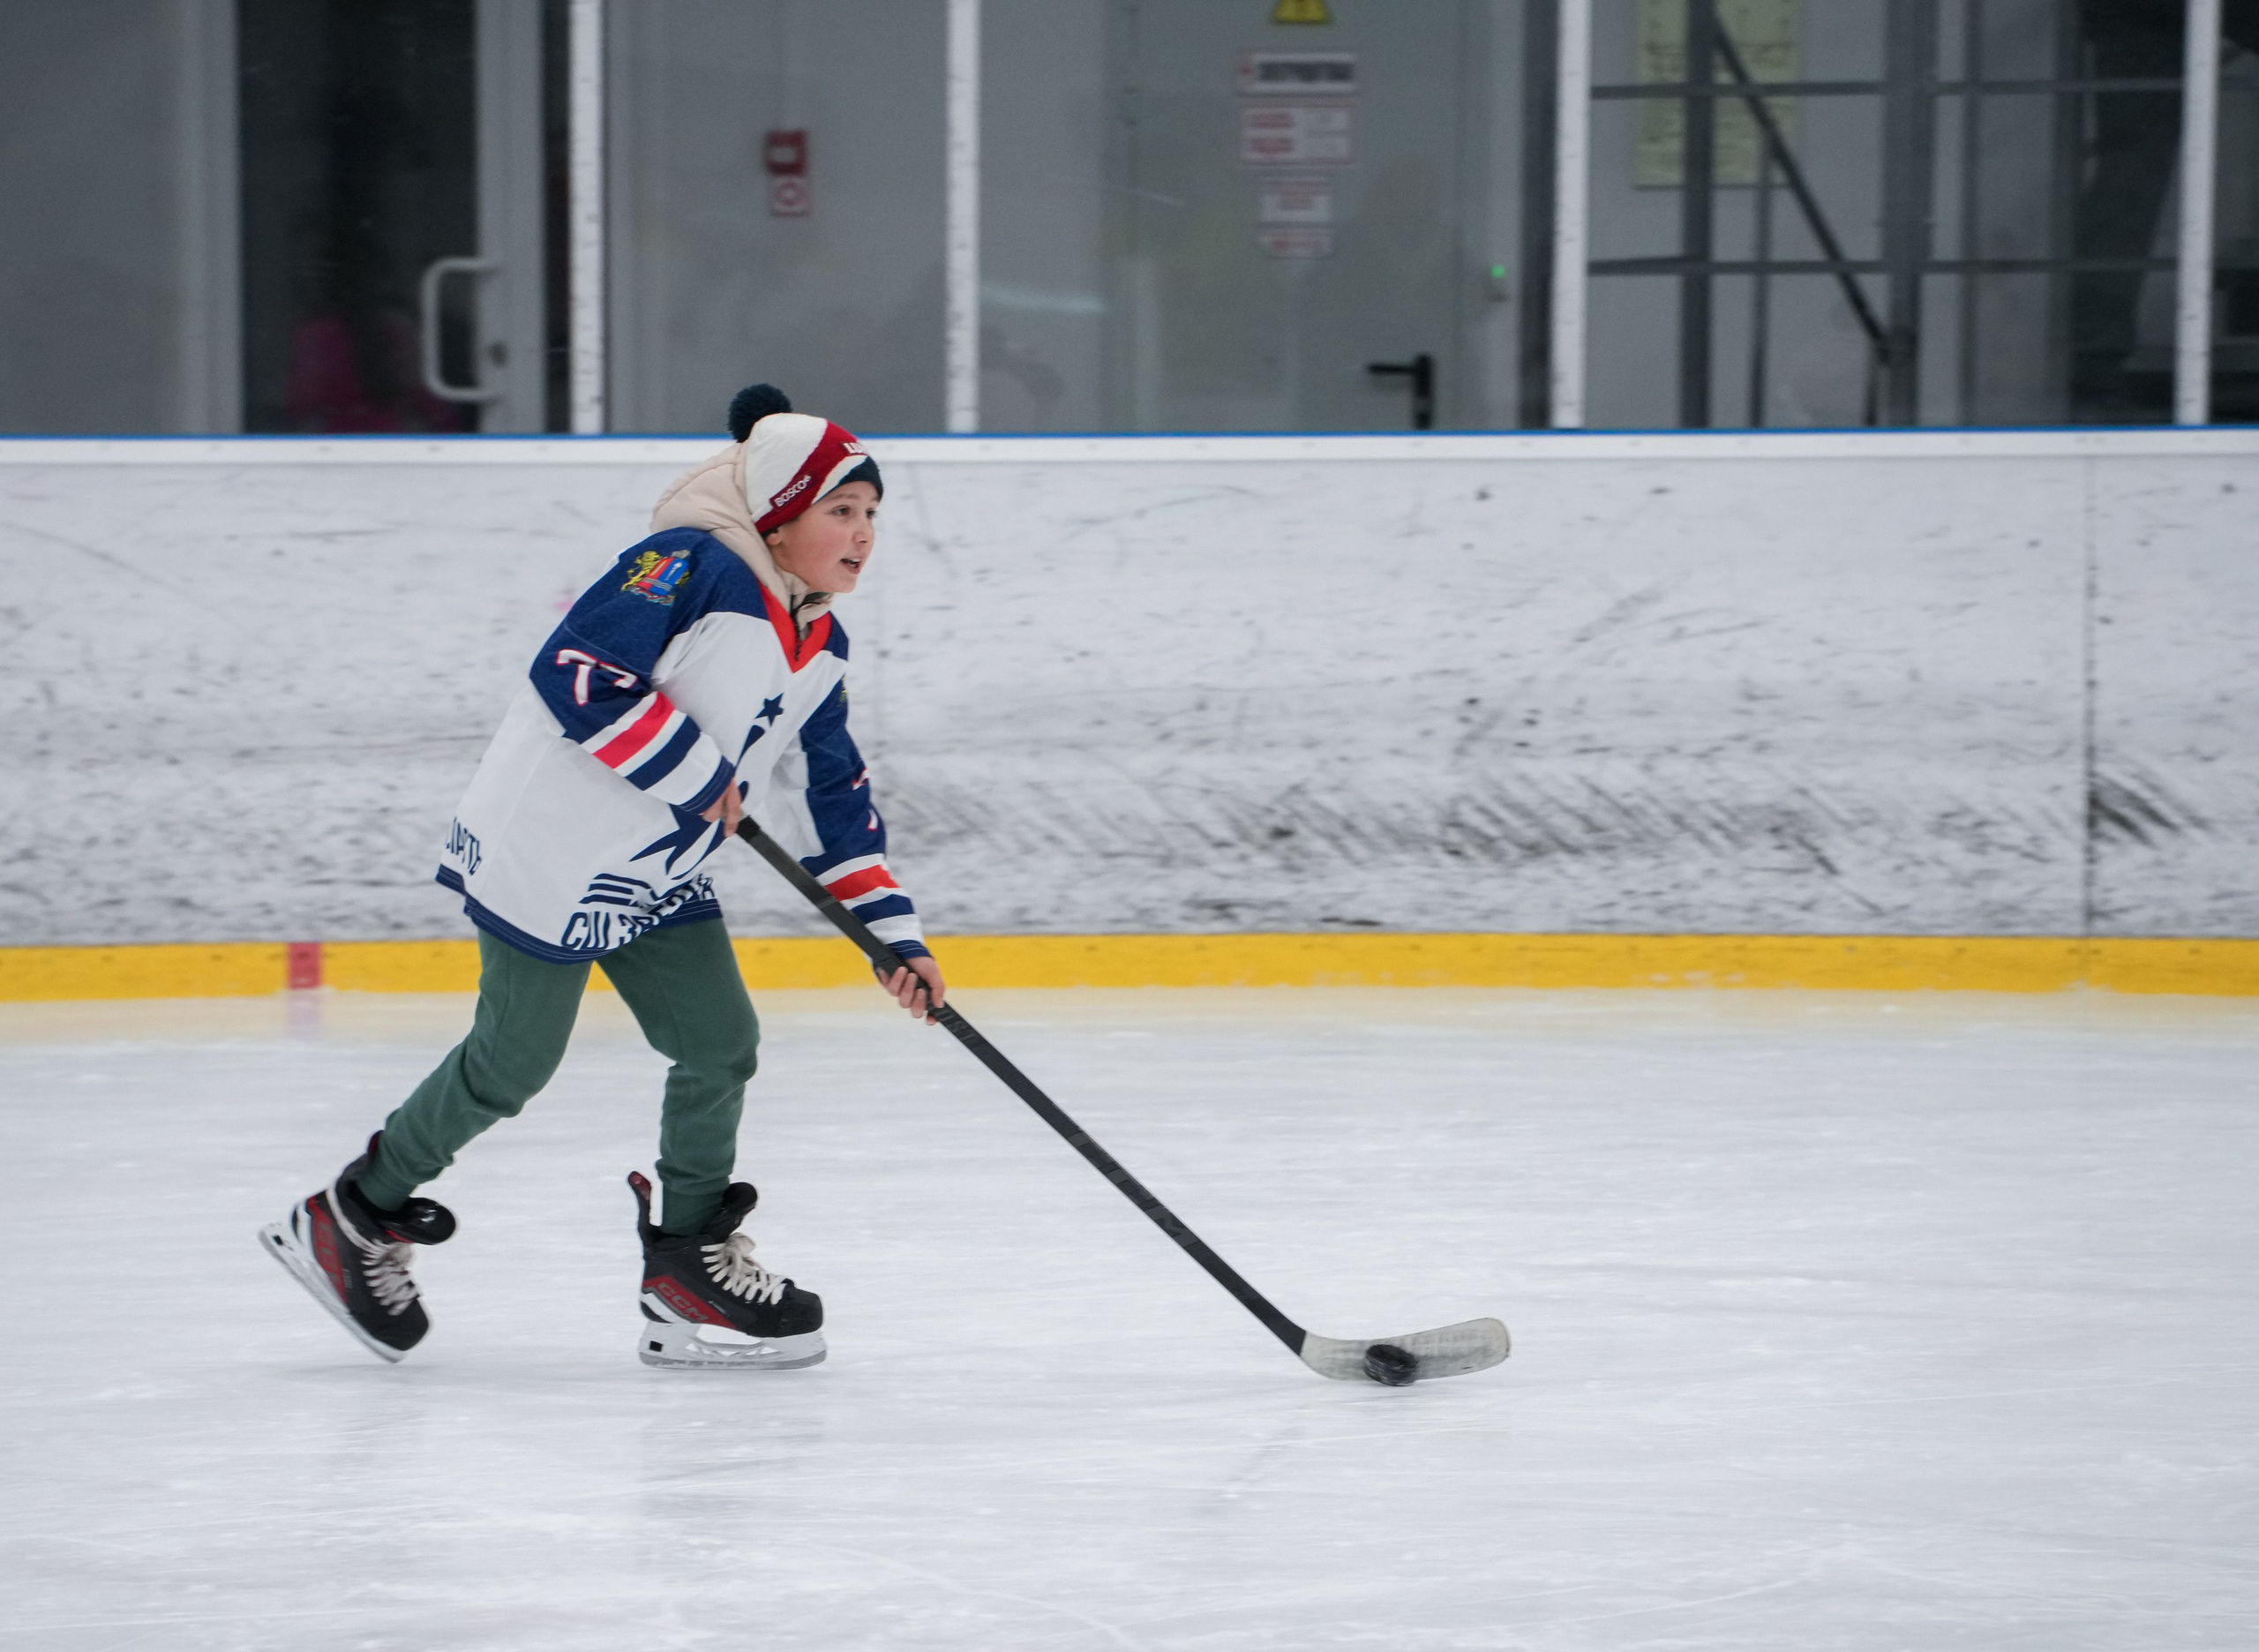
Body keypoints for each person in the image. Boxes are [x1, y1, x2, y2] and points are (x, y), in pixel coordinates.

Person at [260, 383, 944, 1371]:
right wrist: (700, 775)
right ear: (778, 514)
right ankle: (353, 1216)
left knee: (719, 1044)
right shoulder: (691, 563)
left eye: (873, 513)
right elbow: (577, 672)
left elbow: (836, 795)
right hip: (552, 848)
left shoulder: (820, 639)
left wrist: (895, 938)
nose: (863, 532)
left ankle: (685, 1265)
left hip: (652, 870)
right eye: (841, 509)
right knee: (512, 1063)